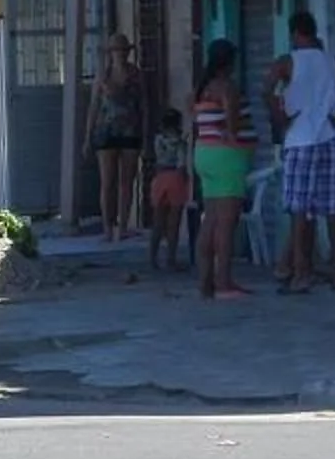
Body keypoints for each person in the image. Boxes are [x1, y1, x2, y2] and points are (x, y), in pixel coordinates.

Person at [265, 9, 335, 294]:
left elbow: (266, 89)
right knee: (333, 207)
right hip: (329, 138)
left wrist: (281, 118)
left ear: (295, 33)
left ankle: (300, 273)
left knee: (299, 209)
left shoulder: (288, 61)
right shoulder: (331, 61)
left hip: (300, 140)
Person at [190, 40, 255, 300]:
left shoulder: (201, 89)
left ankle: (205, 282)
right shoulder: (227, 87)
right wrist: (234, 135)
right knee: (227, 223)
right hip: (227, 157)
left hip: (204, 153)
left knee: (211, 219)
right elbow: (232, 121)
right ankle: (224, 281)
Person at [91, 34, 144, 241]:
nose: (120, 54)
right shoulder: (103, 76)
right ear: (110, 53)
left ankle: (123, 227)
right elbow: (94, 107)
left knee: (127, 181)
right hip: (106, 132)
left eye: (123, 50)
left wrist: (146, 132)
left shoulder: (136, 75)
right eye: (116, 50)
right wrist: (87, 136)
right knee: (107, 181)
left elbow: (144, 105)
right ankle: (107, 228)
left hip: (131, 131)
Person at [143, 109, 191, 273]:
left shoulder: (158, 140)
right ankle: (171, 259)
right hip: (175, 178)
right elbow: (182, 165)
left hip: (160, 177)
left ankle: (152, 258)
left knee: (157, 221)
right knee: (173, 223)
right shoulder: (181, 143)